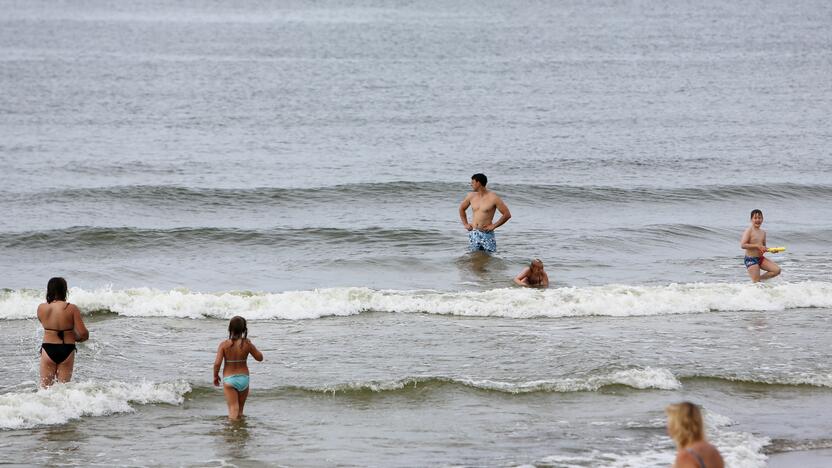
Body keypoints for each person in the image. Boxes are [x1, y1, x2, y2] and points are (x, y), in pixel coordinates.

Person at [37, 277, 89, 388]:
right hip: (67, 349)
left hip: (48, 348)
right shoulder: (71, 308)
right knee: (64, 389)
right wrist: (76, 338)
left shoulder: (41, 308)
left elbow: (45, 323)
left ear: (49, 290)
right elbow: (84, 334)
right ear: (64, 290)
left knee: (45, 389)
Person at [213, 316, 263, 420]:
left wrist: (215, 376)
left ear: (230, 329)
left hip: (229, 379)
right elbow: (260, 358)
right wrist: (250, 345)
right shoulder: (247, 344)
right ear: (244, 330)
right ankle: (240, 432)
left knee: (233, 408)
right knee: (239, 410)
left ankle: (233, 432)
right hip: (244, 379)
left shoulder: (224, 345)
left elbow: (217, 363)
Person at [458, 173, 511, 253]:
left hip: (487, 234)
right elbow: (461, 209)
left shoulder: (493, 198)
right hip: (474, 233)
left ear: (478, 183)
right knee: (474, 257)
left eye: (473, 182)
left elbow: (507, 214)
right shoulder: (471, 196)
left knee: (489, 257)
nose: (471, 185)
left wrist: (494, 226)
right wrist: (465, 224)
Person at [665, 402, 724, 468]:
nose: (667, 425)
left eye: (670, 421)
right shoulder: (713, 451)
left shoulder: (686, 456)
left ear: (677, 425)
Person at [740, 209, 781, 283]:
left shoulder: (763, 232)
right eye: (755, 218)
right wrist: (756, 246)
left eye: (759, 218)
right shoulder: (749, 231)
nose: (757, 220)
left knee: (776, 270)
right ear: (751, 220)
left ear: (762, 219)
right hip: (751, 259)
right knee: (756, 284)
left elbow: (763, 248)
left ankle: (759, 280)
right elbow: (743, 245)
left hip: (760, 258)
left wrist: (772, 250)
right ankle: (756, 282)